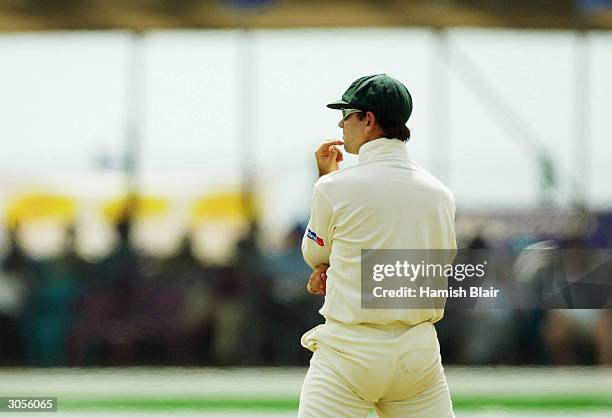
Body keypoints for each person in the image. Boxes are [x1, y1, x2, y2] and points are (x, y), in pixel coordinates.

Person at [298, 74, 456, 417]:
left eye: (347, 114)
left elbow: (315, 254)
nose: (340, 123)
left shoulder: (334, 187)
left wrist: (326, 177)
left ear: (368, 120)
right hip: (418, 355)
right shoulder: (440, 193)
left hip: (350, 352)